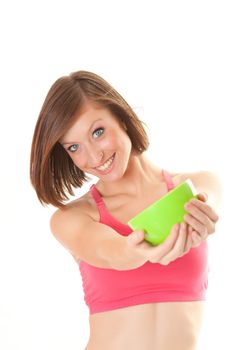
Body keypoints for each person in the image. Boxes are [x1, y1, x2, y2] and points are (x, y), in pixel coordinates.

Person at [30, 70, 222, 350]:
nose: (94, 157)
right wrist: (138, 250)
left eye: (98, 132)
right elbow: (112, 252)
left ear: (121, 116)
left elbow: (209, 199)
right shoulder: (71, 219)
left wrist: (203, 216)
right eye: (74, 147)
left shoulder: (197, 184)